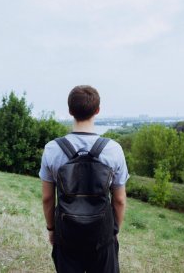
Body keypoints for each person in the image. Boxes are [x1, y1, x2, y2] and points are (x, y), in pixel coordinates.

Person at [39, 85, 129, 273]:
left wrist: (51, 230)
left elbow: (47, 198)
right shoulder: (113, 149)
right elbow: (119, 200)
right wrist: (114, 232)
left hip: (67, 236)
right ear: (97, 110)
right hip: (102, 238)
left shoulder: (52, 149)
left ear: (70, 111)